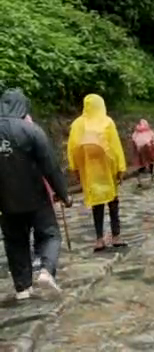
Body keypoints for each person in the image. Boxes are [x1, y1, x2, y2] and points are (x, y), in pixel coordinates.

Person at [0, 89, 72, 299]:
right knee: (50, 234)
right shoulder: (31, 131)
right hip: (36, 199)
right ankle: (46, 271)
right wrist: (63, 194)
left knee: (14, 242)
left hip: (5, 203)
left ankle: (22, 289)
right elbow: (50, 167)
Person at [67, 94, 127, 252]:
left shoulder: (77, 124)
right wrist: (120, 168)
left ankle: (99, 239)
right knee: (113, 203)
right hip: (108, 170)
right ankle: (116, 236)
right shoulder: (107, 122)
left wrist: (75, 169)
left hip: (89, 171)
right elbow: (115, 146)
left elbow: (72, 149)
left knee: (97, 205)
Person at [24, 114, 55, 270]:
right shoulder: (35, 134)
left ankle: (33, 254)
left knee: (30, 224)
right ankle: (37, 254)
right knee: (39, 223)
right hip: (36, 187)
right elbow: (48, 162)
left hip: (22, 189)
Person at [131, 119, 154, 186]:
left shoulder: (135, 134)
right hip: (149, 149)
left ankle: (139, 180)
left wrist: (134, 155)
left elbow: (133, 144)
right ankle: (152, 178)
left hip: (139, 151)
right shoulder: (150, 132)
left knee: (140, 165)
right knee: (152, 163)